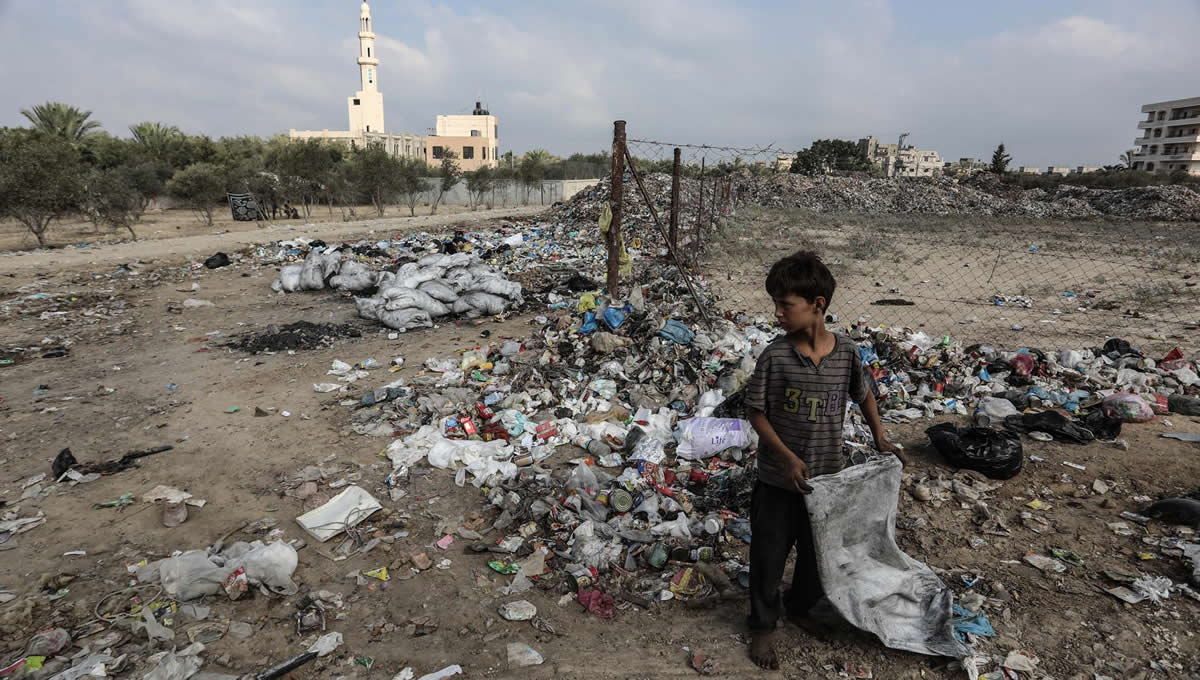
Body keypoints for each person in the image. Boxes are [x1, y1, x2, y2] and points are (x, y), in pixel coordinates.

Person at [744, 250, 908, 670]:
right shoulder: (776, 357)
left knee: (818, 556)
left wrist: (881, 437)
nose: (778, 313)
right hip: (777, 481)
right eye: (776, 304)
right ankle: (763, 626)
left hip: (825, 482)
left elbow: (864, 394)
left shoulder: (846, 354)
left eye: (786, 305)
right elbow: (756, 412)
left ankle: (799, 608)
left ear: (817, 305)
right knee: (768, 555)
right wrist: (785, 457)